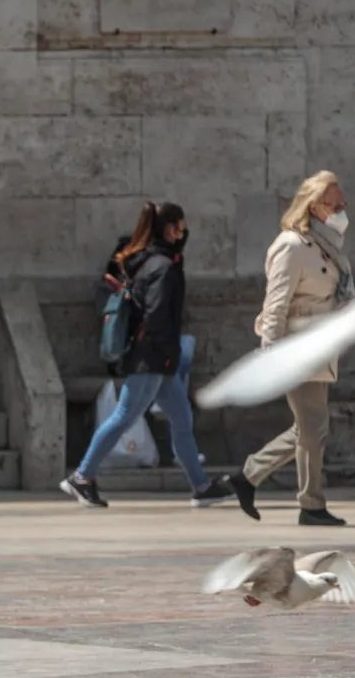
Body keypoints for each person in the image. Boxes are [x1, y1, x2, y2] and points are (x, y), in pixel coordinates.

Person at [60, 202, 232, 510]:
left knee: (181, 418)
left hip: (157, 357)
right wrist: (167, 353)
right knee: (125, 415)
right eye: (180, 227)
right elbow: (156, 314)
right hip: (152, 356)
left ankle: (201, 486)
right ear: (169, 229)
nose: (183, 233)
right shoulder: (163, 267)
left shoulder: (150, 261)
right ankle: (82, 476)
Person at [225, 170, 351, 526]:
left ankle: (247, 476)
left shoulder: (327, 245)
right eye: (335, 204)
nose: (342, 210)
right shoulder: (291, 245)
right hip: (295, 349)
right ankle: (311, 505)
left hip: (319, 347)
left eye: (343, 203)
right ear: (314, 207)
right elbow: (276, 304)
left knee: (308, 427)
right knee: (313, 427)